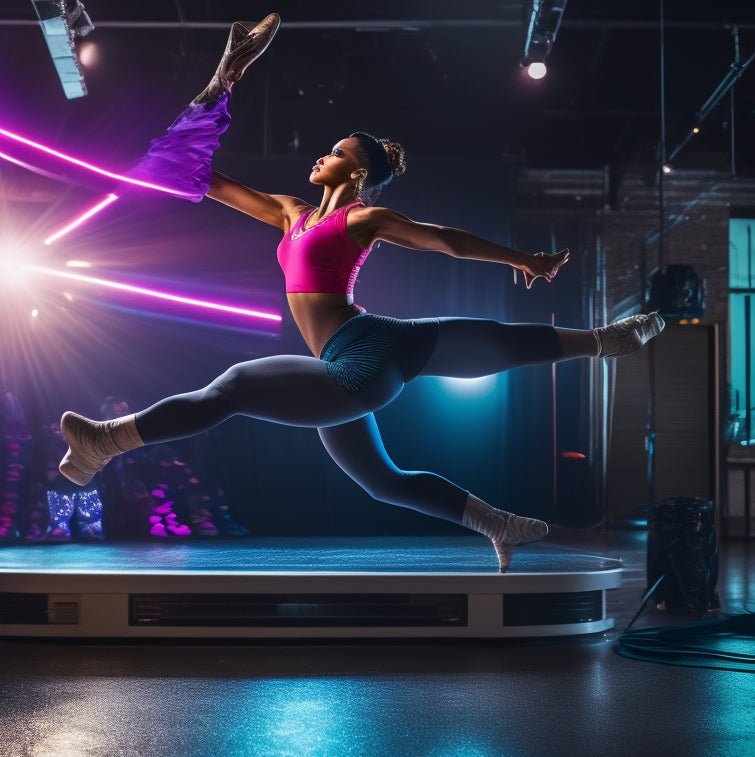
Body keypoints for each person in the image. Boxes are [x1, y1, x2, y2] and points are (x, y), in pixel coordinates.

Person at [57, 14, 664, 571]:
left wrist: (523, 258)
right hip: (342, 359)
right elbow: (188, 170)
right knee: (382, 479)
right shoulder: (289, 212)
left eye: (337, 152)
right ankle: (499, 524)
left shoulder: (361, 220)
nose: (322, 155)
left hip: (362, 349)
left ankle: (107, 440)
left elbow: (444, 241)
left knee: (242, 383)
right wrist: (226, 74)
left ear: (358, 173)